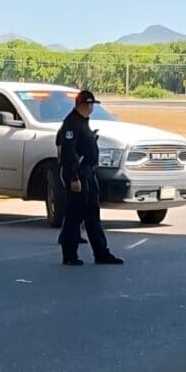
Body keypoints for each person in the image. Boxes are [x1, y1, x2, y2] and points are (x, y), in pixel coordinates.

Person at [56, 90, 124, 266]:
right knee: (74, 214)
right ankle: (69, 254)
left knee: (92, 215)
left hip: (88, 172)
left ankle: (101, 252)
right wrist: (73, 178)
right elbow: (68, 154)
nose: (91, 108)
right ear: (82, 105)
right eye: (89, 104)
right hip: (78, 174)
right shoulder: (71, 124)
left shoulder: (83, 123)